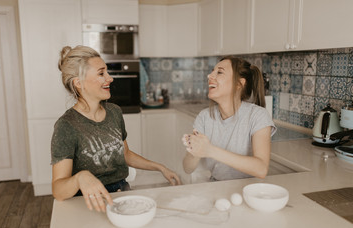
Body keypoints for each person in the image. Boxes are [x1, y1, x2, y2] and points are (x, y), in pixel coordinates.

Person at [51, 45, 181, 213]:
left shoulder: (114, 112)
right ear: (79, 83)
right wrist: (80, 178)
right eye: (101, 73)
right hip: (88, 203)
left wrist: (160, 167)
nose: (110, 78)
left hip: (122, 195)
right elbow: (58, 190)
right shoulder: (66, 126)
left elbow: (125, 154)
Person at [182, 56, 276, 181]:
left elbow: (261, 169)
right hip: (216, 186)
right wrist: (194, 150)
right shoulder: (204, 117)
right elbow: (187, 168)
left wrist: (210, 150)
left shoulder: (258, 116)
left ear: (239, 84)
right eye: (212, 71)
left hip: (247, 189)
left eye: (219, 72)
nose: (209, 76)